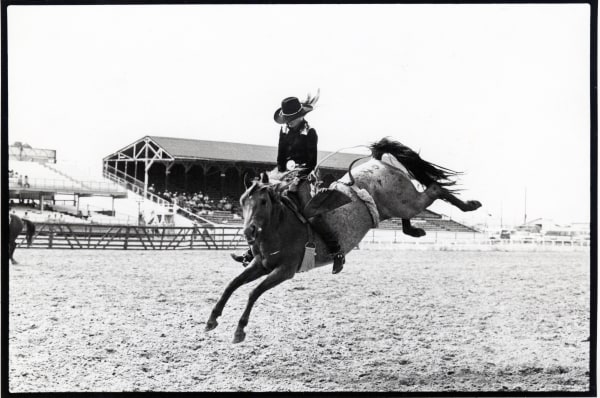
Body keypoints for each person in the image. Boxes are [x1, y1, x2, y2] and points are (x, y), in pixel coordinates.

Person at [231, 93, 346, 274]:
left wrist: (297, 177)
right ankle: (253, 251)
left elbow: (311, 162)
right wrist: (282, 174)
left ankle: (336, 251)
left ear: (301, 117)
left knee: (311, 212)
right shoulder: (283, 132)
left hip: (304, 176)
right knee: (266, 204)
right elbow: (280, 158)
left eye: (291, 119)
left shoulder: (310, 133)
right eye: (287, 119)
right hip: (284, 174)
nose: (288, 122)